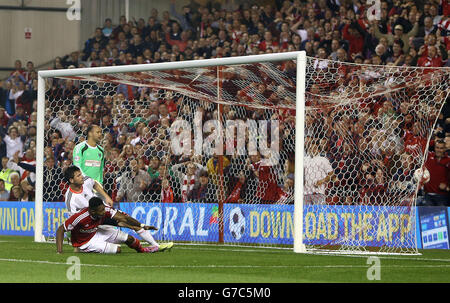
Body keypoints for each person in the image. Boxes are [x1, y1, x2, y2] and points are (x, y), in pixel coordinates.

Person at [56, 197, 173, 254]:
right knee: (118, 250)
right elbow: (61, 229)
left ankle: (143, 251)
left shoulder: (105, 211)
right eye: (101, 211)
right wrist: (59, 251)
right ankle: (82, 250)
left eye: (103, 209)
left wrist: (141, 225)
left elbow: (124, 219)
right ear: (93, 212)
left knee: (129, 238)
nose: (104, 212)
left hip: (96, 232)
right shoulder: (80, 217)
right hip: (85, 242)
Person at [424, 140, 450, 206]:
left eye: (441, 148)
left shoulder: (448, 160)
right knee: (428, 215)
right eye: (437, 147)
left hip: (442, 196)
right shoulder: (429, 156)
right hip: (428, 195)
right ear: (434, 148)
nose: (439, 150)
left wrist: (447, 187)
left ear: (445, 149)